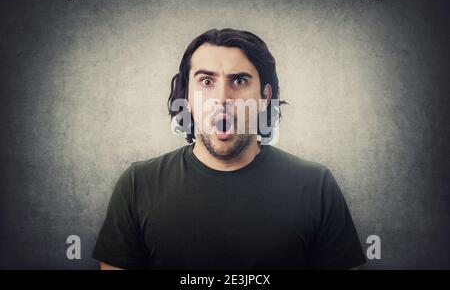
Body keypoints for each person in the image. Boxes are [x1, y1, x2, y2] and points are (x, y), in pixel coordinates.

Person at [92, 28, 366, 270]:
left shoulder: (316, 185)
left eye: (239, 81)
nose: (222, 99)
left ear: (264, 97)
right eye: (206, 81)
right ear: (186, 96)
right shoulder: (138, 185)